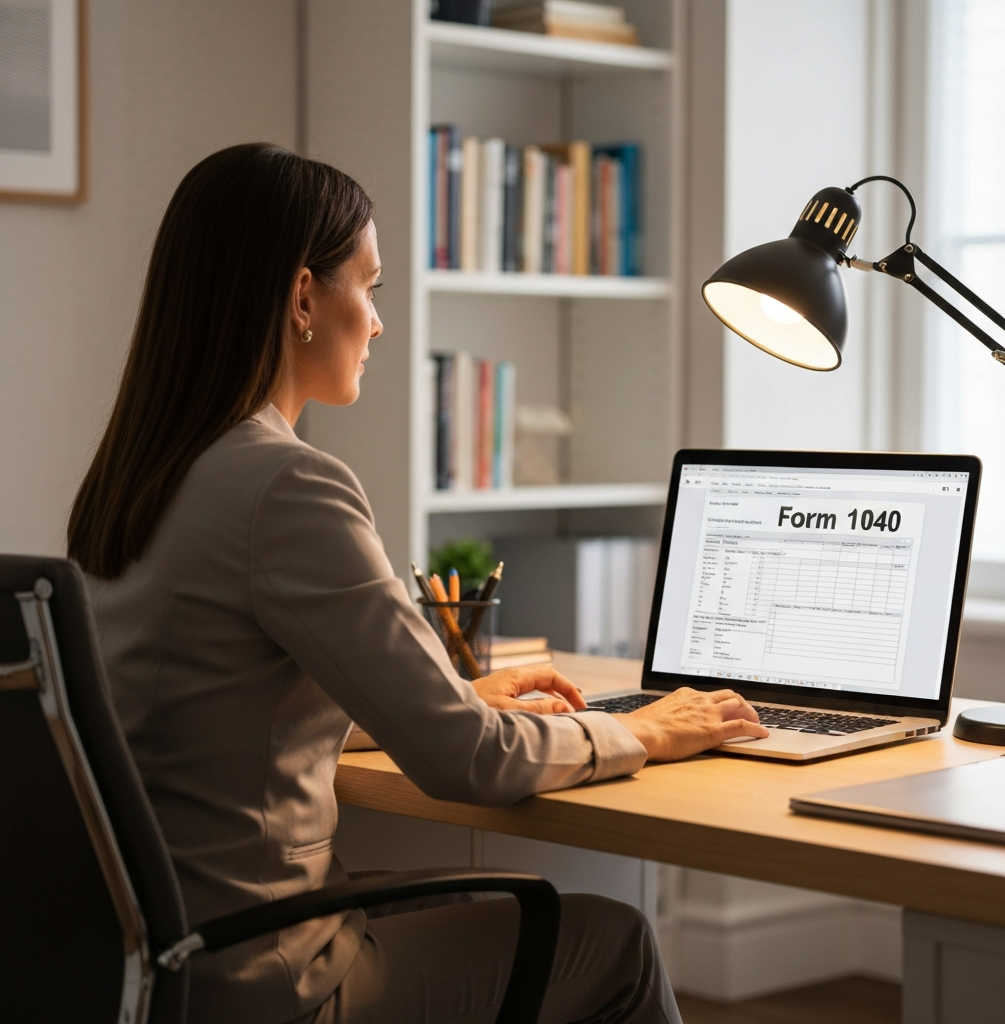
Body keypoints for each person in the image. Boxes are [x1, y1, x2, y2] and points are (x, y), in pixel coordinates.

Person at [69, 143, 767, 1024]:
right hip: (268, 976)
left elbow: (217, 713)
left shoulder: (139, 479)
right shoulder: (287, 485)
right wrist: (646, 732)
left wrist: (455, 693)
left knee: (477, 909)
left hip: (150, 962)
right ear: (301, 298)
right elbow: (465, 761)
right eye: (372, 287)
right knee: (614, 942)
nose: (380, 322)